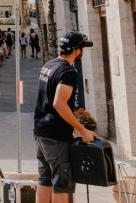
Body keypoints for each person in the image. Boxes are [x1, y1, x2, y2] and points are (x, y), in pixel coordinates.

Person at [34, 32, 96, 203]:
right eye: (82, 48)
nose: (82, 52)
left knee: (45, 180)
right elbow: (59, 103)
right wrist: (82, 130)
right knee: (62, 183)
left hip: (41, 133)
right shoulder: (68, 72)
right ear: (76, 51)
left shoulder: (48, 65)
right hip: (57, 137)